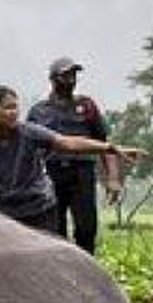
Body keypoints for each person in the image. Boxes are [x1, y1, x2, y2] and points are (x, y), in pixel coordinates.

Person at [0, 86, 144, 232]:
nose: (14, 112)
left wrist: (109, 148)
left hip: (41, 209)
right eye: (7, 108)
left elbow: (67, 143)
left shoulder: (29, 132)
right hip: (9, 214)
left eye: (15, 107)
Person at [27, 57, 122, 253]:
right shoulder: (38, 111)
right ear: (53, 79)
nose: (71, 80)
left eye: (74, 75)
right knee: (54, 230)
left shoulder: (87, 106)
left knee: (86, 228)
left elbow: (105, 145)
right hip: (51, 174)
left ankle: (86, 274)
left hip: (82, 173)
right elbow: (27, 150)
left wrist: (112, 179)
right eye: (65, 75)